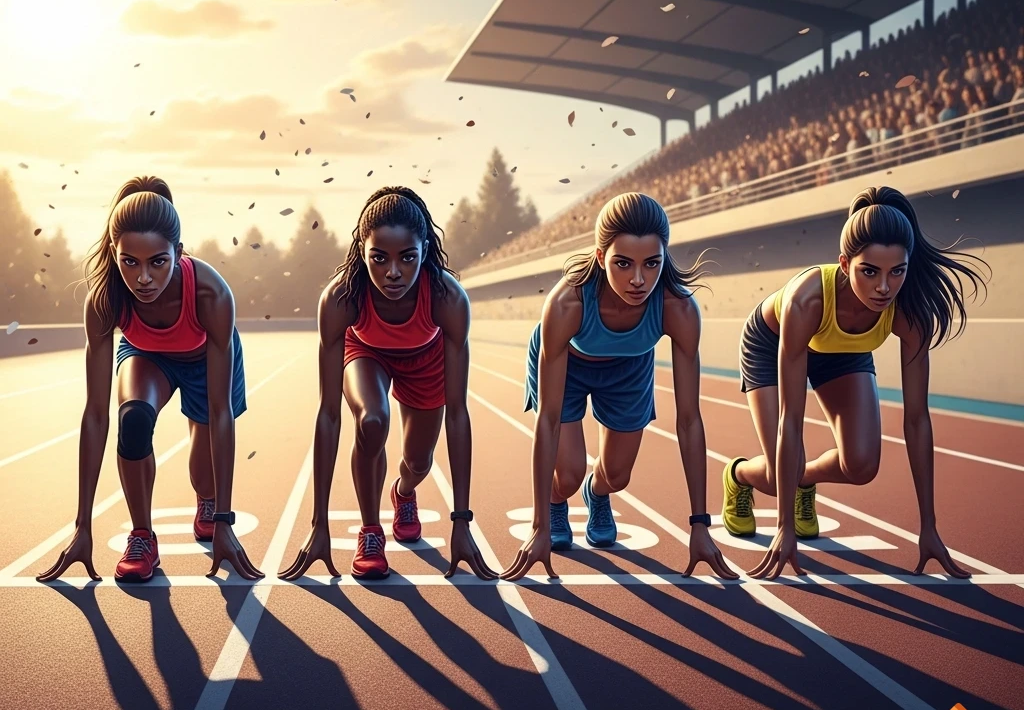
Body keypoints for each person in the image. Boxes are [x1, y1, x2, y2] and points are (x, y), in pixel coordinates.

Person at [721, 186, 990, 580]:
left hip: (843, 351)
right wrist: (784, 526)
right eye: (870, 272)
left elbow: (917, 419)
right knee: (783, 474)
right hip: (773, 340)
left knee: (861, 465)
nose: (884, 288)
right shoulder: (806, 300)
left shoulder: (909, 313)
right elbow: (790, 420)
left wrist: (929, 527)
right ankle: (739, 475)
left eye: (897, 271)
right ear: (845, 264)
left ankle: (805, 481)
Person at [37, 176, 262, 583]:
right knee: (133, 421)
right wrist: (82, 527)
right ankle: (142, 536)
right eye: (130, 262)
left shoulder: (212, 295)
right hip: (147, 356)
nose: (143, 278)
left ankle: (207, 502)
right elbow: (94, 415)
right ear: (114, 252)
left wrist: (226, 521)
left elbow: (220, 410)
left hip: (202, 359)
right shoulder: (105, 300)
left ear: (178, 252)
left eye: (157, 262)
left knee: (203, 473)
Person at [501, 192, 736, 582]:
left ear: (664, 257)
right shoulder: (567, 304)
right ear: (600, 257)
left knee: (617, 475)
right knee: (569, 472)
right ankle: (559, 501)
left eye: (652, 264)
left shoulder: (678, 309)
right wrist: (539, 525)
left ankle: (598, 493)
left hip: (629, 369)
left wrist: (699, 525)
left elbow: (690, 420)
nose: (639, 279)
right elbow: (548, 419)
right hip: (568, 364)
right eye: (623, 264)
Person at [279, 186, 496, 582]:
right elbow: (328, 414)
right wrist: (319, 524)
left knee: (418, 462)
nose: (392, 272)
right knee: (372, 421)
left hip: (426, 360)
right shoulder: (341, 298)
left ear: (425, 249)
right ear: (361, 250)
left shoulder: (448, 299)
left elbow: (458, 412)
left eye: (407, 258)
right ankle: (370, 532)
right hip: (365, 353)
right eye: (379, 258)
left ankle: (404, 492)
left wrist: (461, 521)